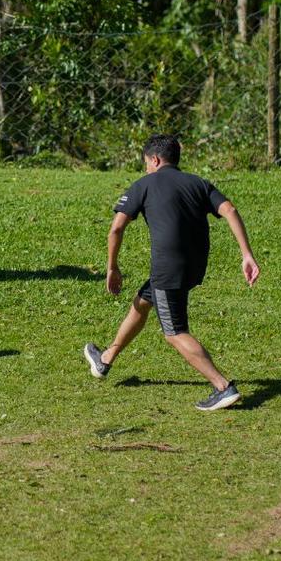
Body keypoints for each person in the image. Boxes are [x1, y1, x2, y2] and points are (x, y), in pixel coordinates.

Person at [83, 133, 260, 411]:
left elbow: (116, 228)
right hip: (194, 265)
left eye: (145, 163)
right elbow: (230, 210)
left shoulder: (144, 184)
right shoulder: (198, 183)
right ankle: (105, 359)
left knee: (174, 331)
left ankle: (223, 387)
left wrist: (112, 267)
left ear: (154, 159)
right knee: (143, 302)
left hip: (169, 268)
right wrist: (246, 254)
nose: (145, 169)